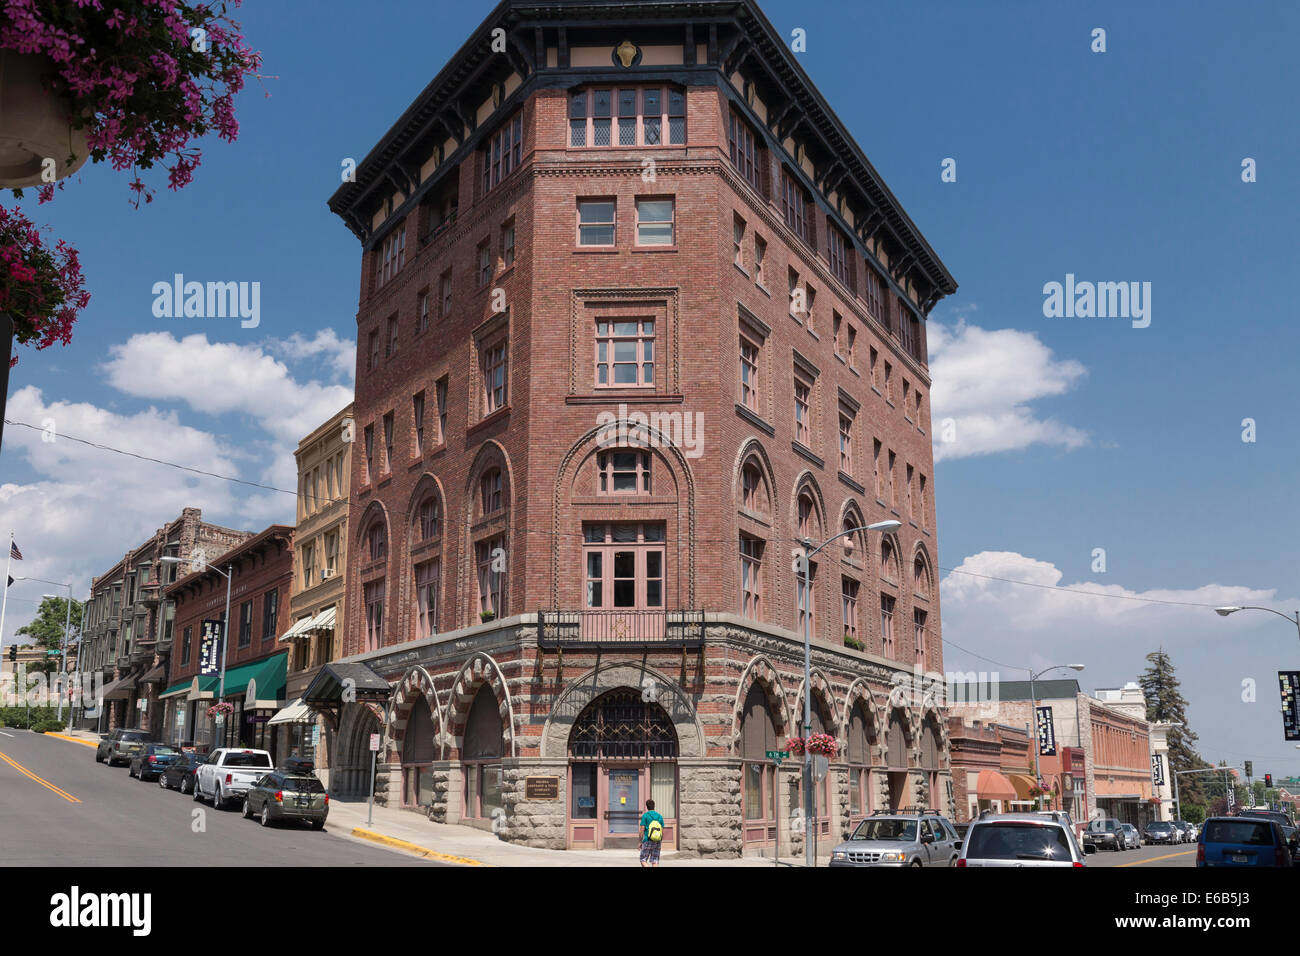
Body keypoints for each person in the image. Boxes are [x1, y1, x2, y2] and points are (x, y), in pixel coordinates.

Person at [639, 798, 665, 867]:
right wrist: (660, 841)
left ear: (646, 806)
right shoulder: (660, 816)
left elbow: (642, 830)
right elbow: (662, 830)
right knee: (655, 860)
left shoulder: (645, 816)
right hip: (657, 841)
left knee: (643, 859)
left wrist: (640, 842)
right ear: (654, 806)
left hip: (647, 840)